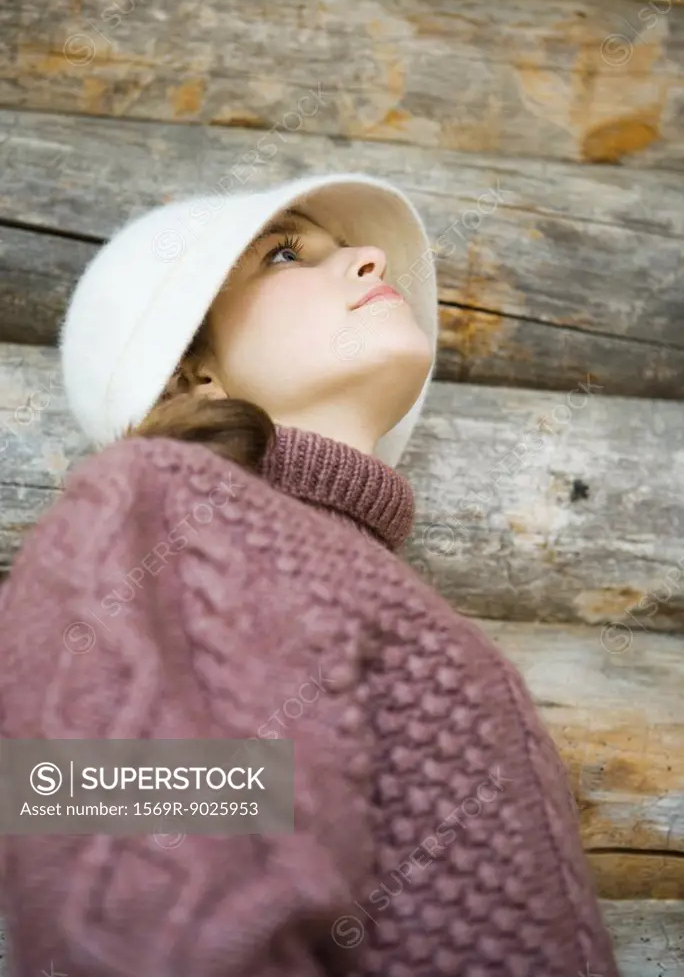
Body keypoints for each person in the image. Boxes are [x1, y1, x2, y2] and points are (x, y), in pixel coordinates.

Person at [0, 173, 619, 977]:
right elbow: (138, 912)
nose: (370, 258)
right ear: (196, 377)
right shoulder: (157, 505)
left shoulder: (397, 599)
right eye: (286, 254)